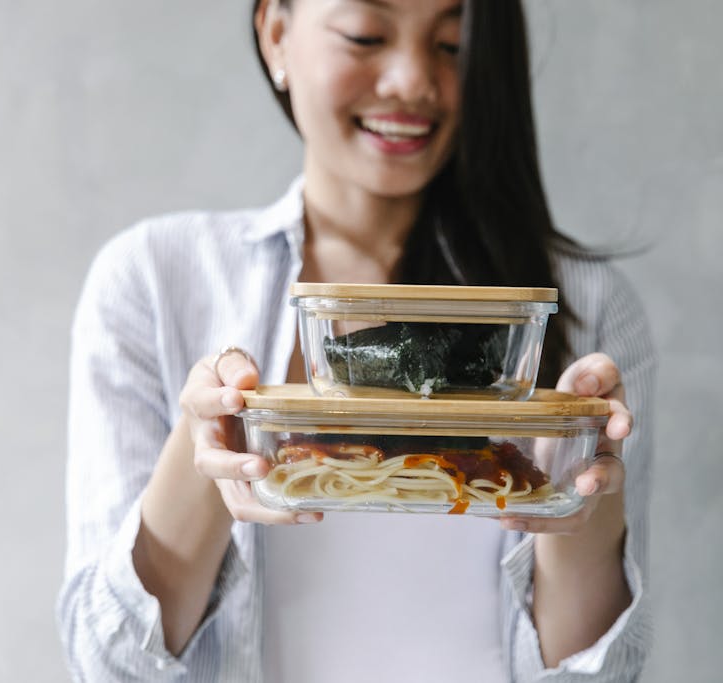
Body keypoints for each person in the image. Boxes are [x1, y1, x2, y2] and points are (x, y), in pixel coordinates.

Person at [56, 0, 656, 680]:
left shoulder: (583, 310)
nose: (411, 81)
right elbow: (107, 666)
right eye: (366, 35)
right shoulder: (153, 282)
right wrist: (208, 446)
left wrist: (577, 485)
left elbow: (606, 676)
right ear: (276, 35)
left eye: (454, 45)